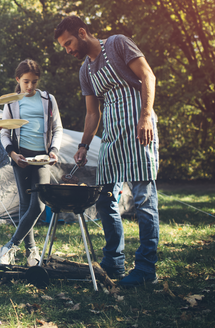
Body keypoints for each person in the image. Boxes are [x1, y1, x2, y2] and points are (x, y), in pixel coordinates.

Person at [54, 15, 160, 288]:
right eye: (64, 47)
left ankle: (146, 268)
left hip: (139, 130)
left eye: (69, 43)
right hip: (111, 137)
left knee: (143, 199)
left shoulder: (118, 44)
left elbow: (147, 75)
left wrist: (146, 116)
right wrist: (84, 145)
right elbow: (92, 112)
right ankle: (114, 261)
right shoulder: (85, 71)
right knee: (105, 200)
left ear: (82, 32)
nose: (68, 50)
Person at [0, 59, 63, 267]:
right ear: (18, 79)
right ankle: (31, 252)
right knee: (26, 205)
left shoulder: (48, 100)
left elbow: (58, 128)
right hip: (21, 158)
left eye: (34, 82)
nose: (30, 86)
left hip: (42, 158)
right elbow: (4, 132)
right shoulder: (11, 101)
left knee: (39, 204)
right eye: (26, 82)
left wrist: (53, 151)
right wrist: (13, 154)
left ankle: (9, 246)